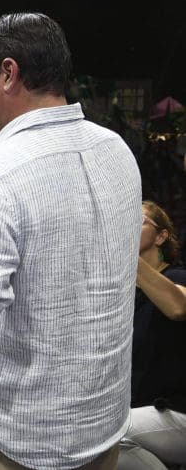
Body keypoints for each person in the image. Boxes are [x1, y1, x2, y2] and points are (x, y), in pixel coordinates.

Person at [0, 13, 142, 469]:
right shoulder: (117, 149)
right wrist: (4, 158)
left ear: (9, 73)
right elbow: (67, 216)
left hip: (27, 438)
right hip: (102, 422)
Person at [118, 201, 186, 469]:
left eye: (139, 220)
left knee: (108, 435)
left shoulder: (178, 275)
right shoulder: (126, 296)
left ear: (161, 236)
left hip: (177, 411)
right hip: (143, 413)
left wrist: (123, 251)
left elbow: (178, 307)